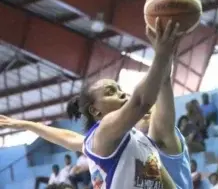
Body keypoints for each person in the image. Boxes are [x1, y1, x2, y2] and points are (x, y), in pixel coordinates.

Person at [0, 18, 181, 189]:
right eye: (111, 92)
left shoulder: (137, 140)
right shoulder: (103, 133)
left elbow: (67, 137)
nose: (121, 94)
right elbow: (140, 102)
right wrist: (161, 55)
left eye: (119, 89)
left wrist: (26, 124)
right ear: (95, 111)